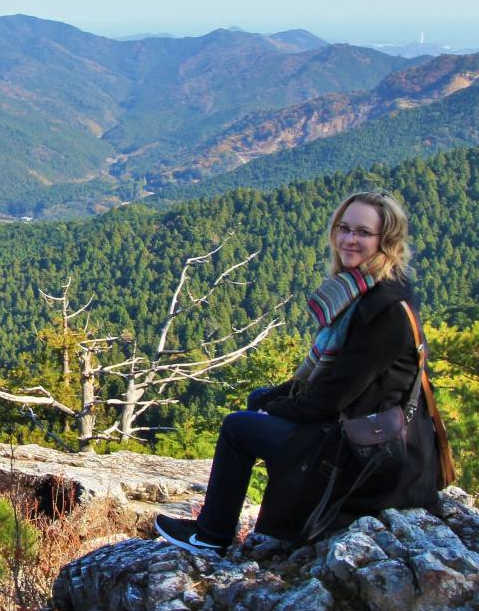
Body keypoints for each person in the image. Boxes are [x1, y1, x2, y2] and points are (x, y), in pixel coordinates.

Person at [155, 189, 444, 555]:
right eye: (344, 228)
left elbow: (331, 398)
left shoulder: (382, 311)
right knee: (258, 402)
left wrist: (272, 410)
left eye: (363, 232)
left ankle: (211, 535)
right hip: (364, 433)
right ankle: (277, 511)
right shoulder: (372, 291)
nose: (349, 239)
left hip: (374, 459)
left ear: (386, 241)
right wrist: (272, 399)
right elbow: (330, 379)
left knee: (238, 427)